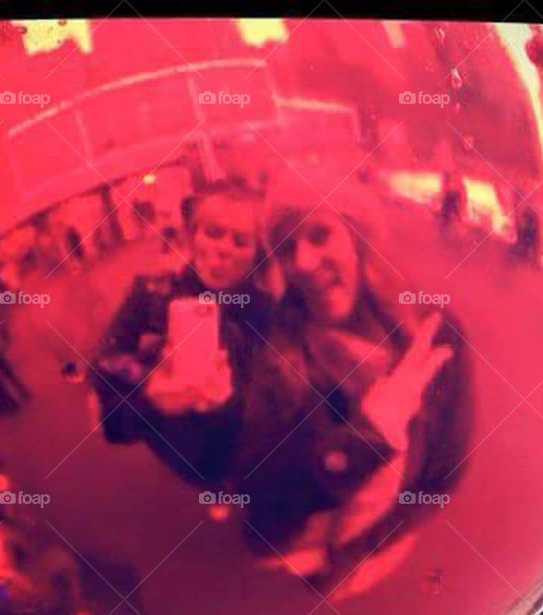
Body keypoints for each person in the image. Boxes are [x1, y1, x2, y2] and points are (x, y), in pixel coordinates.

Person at [232, 161, 471, 591]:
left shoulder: (432, 331)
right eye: (286, 248)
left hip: (374, 551)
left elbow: (445, 470)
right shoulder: (277, 359)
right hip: (313, 561)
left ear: (357, 238)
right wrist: (368, 436)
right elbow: (263, 509)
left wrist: (372, 550)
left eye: (320, 235)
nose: (303, 263)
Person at [93, 179, 277, 485]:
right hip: (180, 459)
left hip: (245, 463)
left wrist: (232, 402)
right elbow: (105, 374)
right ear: (193, 236)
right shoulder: (152, 294)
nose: (223, 248)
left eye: (240, 241)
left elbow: (278, 403)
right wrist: (150, 390)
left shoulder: (264, 312)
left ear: (256, 254)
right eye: (214, 233)